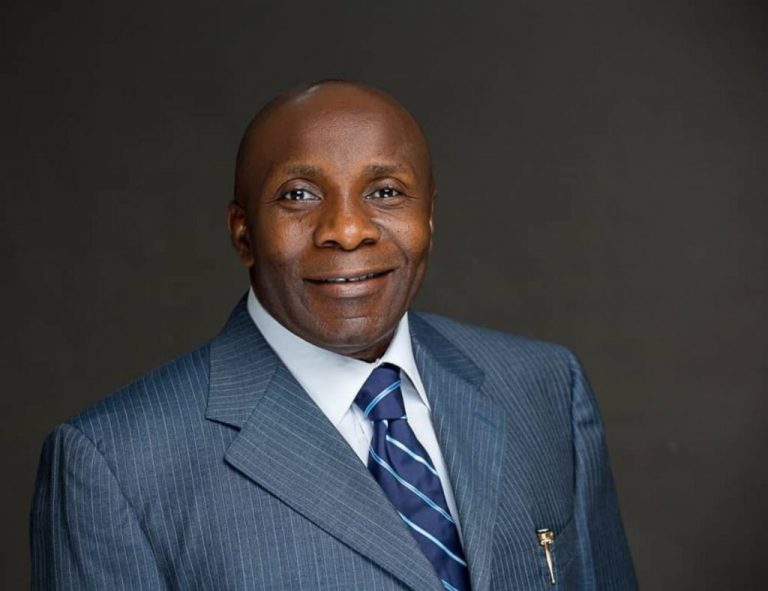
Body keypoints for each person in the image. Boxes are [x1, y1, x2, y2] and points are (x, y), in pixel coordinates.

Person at [30, 80, 637, 590]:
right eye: (298, 195)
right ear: (243, 233)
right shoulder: (116, 466)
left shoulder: (544, 389)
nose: (347, 230)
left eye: (385, 192)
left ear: (428, 216)